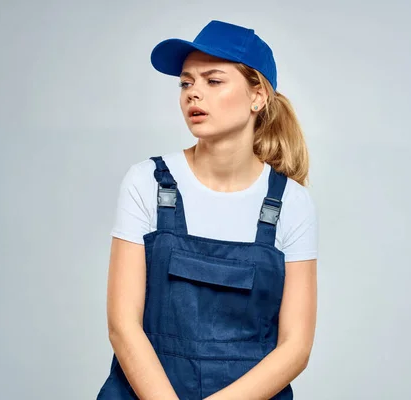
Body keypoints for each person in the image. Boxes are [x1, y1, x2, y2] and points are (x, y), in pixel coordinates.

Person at [96, 20, 318, 400]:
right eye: (186, 83)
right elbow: (122, 325)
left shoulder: (291, 204)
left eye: (213, 81)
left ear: (257, 96)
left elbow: (295, 348)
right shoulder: (147, 182)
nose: (193, 94)